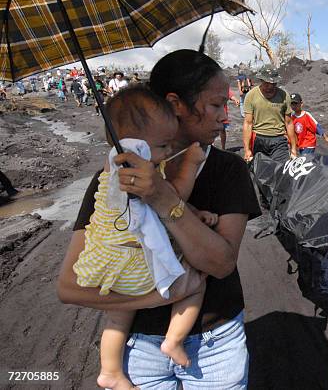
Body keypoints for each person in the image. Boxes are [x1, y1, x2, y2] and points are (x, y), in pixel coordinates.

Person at [57, 49, 261, 389]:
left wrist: (162, 198)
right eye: (215, 105)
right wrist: (162, 296)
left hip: (215, 347)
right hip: (138, 349)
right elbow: (69, 287)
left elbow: (221, 263)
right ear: (176, 103)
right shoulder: (113, 180)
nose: (226, 117)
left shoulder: (229, 170)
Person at [72, 85, 214, 390]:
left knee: (117, 320)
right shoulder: (140, 170)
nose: (167, 152)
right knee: (194, 284)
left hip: (109, 263)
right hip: (138, 265)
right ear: (136, 146)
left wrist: (193, 212)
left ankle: (110, 370)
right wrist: (189, 166)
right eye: (163, 146)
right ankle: (173, 341)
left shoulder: (111, 168)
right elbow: (170, 199)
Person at [242, 66, 298, 163]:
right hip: (259, 139)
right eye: (267, 84)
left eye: (273, 84)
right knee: (260, 172)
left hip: (279, 140)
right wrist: (247, 149)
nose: (270, 87)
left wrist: (293, 148)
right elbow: (248, 123)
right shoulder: (251, 95)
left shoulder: (284, 95)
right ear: (261, 80)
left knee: (281, 170)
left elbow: (289, 123)